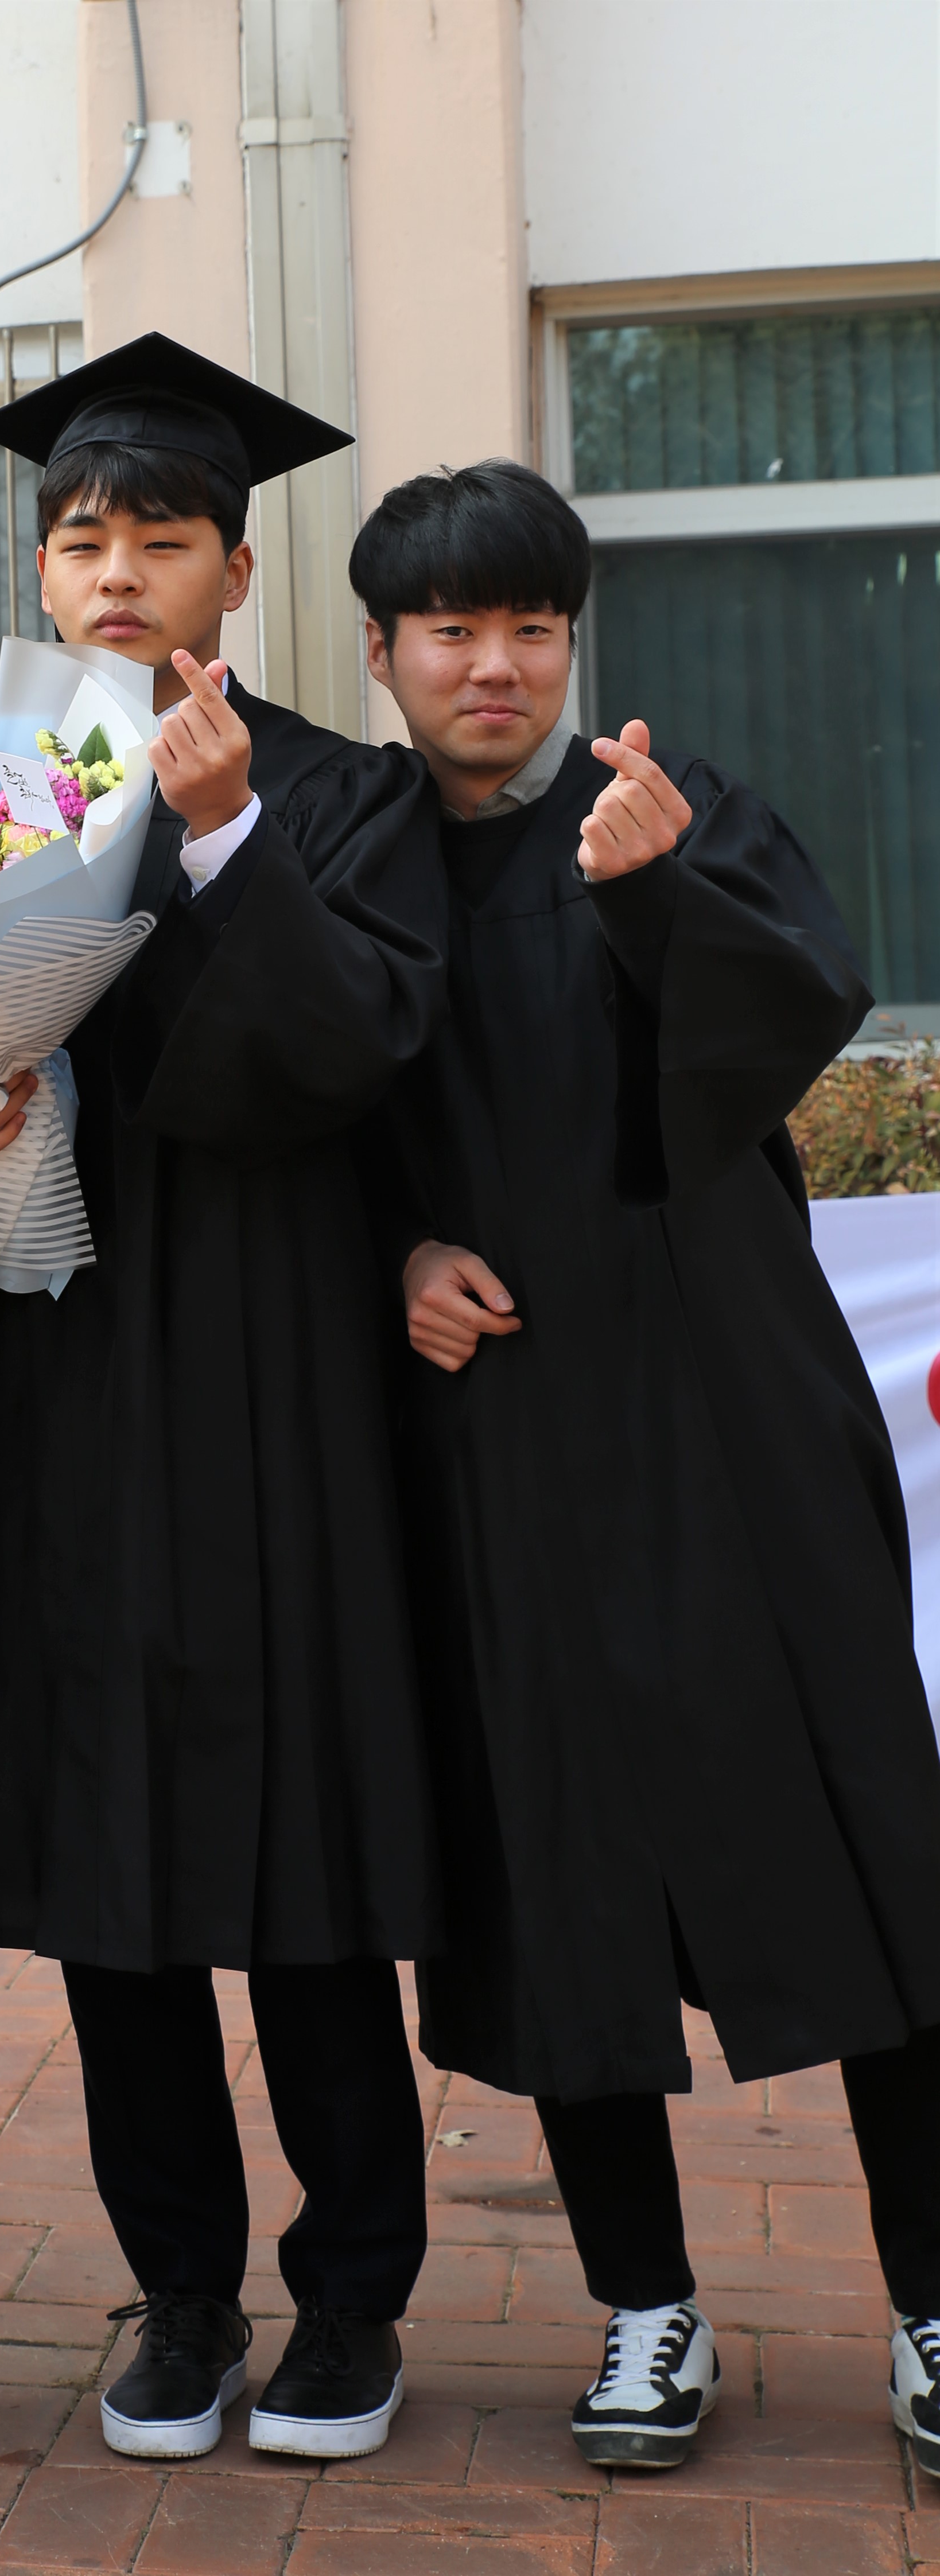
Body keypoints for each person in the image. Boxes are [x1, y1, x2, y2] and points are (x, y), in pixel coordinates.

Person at [0, 335, 446, 2464]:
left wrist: (226, 844)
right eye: (81, 538)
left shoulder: (344, 792)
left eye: (164, 539)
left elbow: (365, 1054)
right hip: (73, 1367)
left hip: (288, 1382)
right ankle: (184, 2290)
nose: (116, 574)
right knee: (110, 1865)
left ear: (236, 572)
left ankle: (354, 2294)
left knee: (306, 1860)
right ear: (45, 570)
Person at [355, 456, 940, 2474]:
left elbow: (791, 1022)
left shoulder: (670, 806)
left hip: (730, 1410)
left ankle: (935, 2299)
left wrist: (655, 893)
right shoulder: (359, 861)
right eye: (454, 629)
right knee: (554, 1867)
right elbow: (312, 1114)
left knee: (859, 1835)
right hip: (505, 1436)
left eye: (533, 626)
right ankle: (644, 2304)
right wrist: (394, 1254)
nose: (497, 665)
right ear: (382, 651)